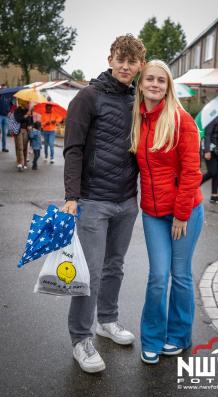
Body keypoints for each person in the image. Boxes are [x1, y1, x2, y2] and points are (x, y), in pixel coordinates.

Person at [62, 34, 146, 373]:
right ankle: (81, 339)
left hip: (127, 201)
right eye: (120, 59)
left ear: (140, 64)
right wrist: (71, 196)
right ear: (110, 58)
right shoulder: (87, 97)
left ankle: (106, 321)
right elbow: (73, 149)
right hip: (93, 201)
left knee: (115, 266)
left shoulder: (138, 100)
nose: (126, 66)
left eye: (132, 61)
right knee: (90, 273)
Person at [130, 60, 204, 364]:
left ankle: (179, 336)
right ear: (142, 83)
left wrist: (182, 214)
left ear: (168, 86)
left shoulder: (181, 120)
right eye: (150, 79)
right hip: (152, 213)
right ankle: (152, 338)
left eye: (161, 80)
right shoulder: (138, 119)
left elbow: (191, 172)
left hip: (183, 213)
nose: (155, 84)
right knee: (158, 276)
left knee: (181, 275)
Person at [14, 102, 32, 171]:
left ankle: (24, 163)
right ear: (24, 103)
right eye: (27, 104)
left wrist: (30, 125)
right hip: (19, 130)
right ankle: (20, 163)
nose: (28, 105)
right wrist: (26, 115)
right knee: (20, 147)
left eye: (29, 104)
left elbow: (30, 122)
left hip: (26, 131)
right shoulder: (18, 110)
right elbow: (18, 119)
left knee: (25, 147)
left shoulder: (29, 111)